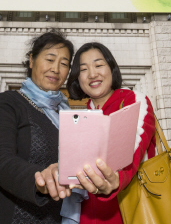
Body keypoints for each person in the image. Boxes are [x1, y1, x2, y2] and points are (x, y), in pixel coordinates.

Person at [0, 30, 74, 224]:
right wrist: (39, 178)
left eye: (64, 64)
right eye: (50, 59)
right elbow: (0, 160)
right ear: (32, 60)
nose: (56, 69)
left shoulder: (66, 115)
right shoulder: (8, 103)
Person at [66, 42, 157, 224]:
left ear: (111, 68)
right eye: (84, 69)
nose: (92, 74)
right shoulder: (81, 117)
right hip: (85, 215)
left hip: (130, 212)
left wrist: (116, 180)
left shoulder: (133, 101)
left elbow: (133, 149)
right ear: (78, 78)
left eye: (99, 65)